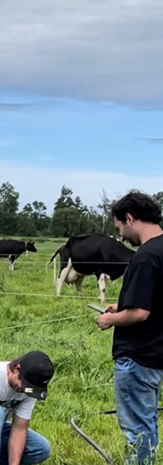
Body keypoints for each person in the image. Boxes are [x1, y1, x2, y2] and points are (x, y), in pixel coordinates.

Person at [95, 190, 163, 465]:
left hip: (137, 356)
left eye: (119, 227)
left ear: (130, 218)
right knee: (147, 424)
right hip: (156, 355)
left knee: (137, 430)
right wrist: (120, 307)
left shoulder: (145, 256)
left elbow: (139, 313)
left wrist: (110, 319)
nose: (121, 236)